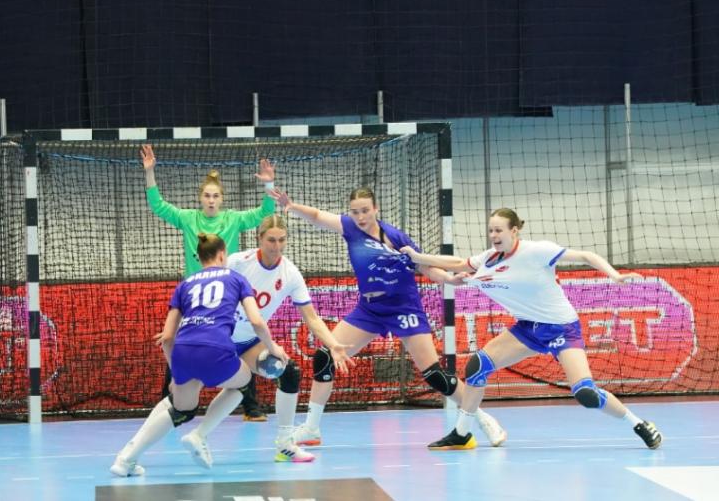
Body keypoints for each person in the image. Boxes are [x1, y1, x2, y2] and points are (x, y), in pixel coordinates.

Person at [399, 208, 664, 450]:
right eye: (490, 230)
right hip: (528, 329)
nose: (494, 235)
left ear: (514, 231)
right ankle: (462, 433)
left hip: (562, 329)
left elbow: (585, 255)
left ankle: (639, 424)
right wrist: (417, 257)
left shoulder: (537, 251)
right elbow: (458, 264)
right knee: (478, 366)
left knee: (585, 393)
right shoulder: (489, 259)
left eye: (499, 230)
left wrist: (615, 275)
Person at [269, 186, 507, 449]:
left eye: (365, 211)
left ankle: (483, 419)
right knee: (325, 357)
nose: (360, 217)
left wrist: (449, 280)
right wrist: (291, 206)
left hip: (403, 307)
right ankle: (311, 428)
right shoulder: (349, 227)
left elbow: (424, 266)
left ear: (376, 209)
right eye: (355, 212)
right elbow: (316, 216)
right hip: (369, 309)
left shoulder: (394, 236)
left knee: (434, 374)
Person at [110, 233, 290, 476]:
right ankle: (200, 435)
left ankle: (125, 460)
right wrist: (273, 347)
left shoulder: (185, 284)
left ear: (200, 257)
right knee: (243, 383)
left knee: (181, 410)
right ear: (222, 255)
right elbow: (257, 322)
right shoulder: (236, 278)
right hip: (216, 348)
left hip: (183, 351)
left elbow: (167, 338)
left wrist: (176, 374)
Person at [142, 144, 272, 420]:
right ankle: (171, 403)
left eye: (215, 196)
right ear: (200, 198)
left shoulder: (233, 219)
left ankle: (251, 407)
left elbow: (265, 213)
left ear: (221, 199)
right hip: (194, 297)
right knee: (175, 341)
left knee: (237, 341)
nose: (211, 200)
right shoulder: (188, 218)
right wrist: (150, 172)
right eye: (207, 196)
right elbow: (158, 206)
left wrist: (269, 184)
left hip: (226, 296)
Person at [226, 214, 356, 462]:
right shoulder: (238, 262)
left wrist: (333, 344)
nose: (276, 246)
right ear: (259, 238)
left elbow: (312, 318)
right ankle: (195, 435)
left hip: (249, 345)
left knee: (287, 371)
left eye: (281, 240)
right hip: (218, 338)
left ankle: (285, 444)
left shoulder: (290, 273)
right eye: (271, 240)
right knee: (182, 400)